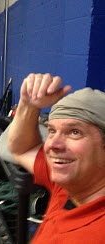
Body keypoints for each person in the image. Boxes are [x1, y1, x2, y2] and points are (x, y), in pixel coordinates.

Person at [8, 74, 105, 242]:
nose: (52, 145)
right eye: (52, 131)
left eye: (75, 132)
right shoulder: (70, 184)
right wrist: (28, 106)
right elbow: (22, 149)